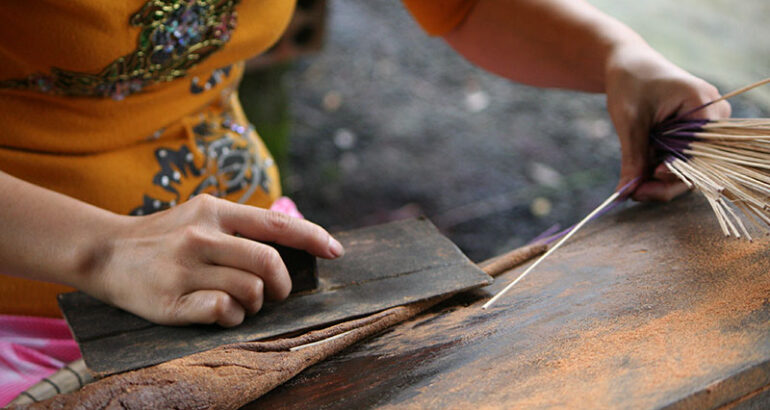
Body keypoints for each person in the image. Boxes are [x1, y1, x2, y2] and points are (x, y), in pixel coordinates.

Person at [0, 0, 731, 403]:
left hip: (261, 267)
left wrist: (617, 54)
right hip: (27, 300)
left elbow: (468, 8)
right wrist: (104, 247)